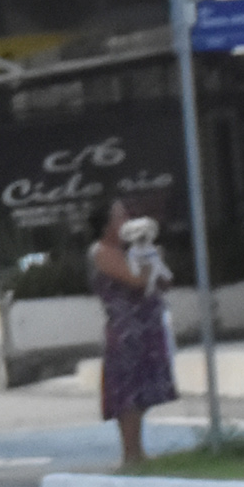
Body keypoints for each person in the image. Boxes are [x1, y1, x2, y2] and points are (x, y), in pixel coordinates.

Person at [91, 198, 177, 465]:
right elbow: (136, 281)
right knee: (127, 394)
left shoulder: (131, 250)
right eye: (119, 217)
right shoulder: (102, 252)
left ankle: (138, 452)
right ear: (106, 223)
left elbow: (161, 282)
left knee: (142, 391)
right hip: (127, 331)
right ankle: (131, 454)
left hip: (146, 327)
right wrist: (151, 262)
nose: (125, 221)